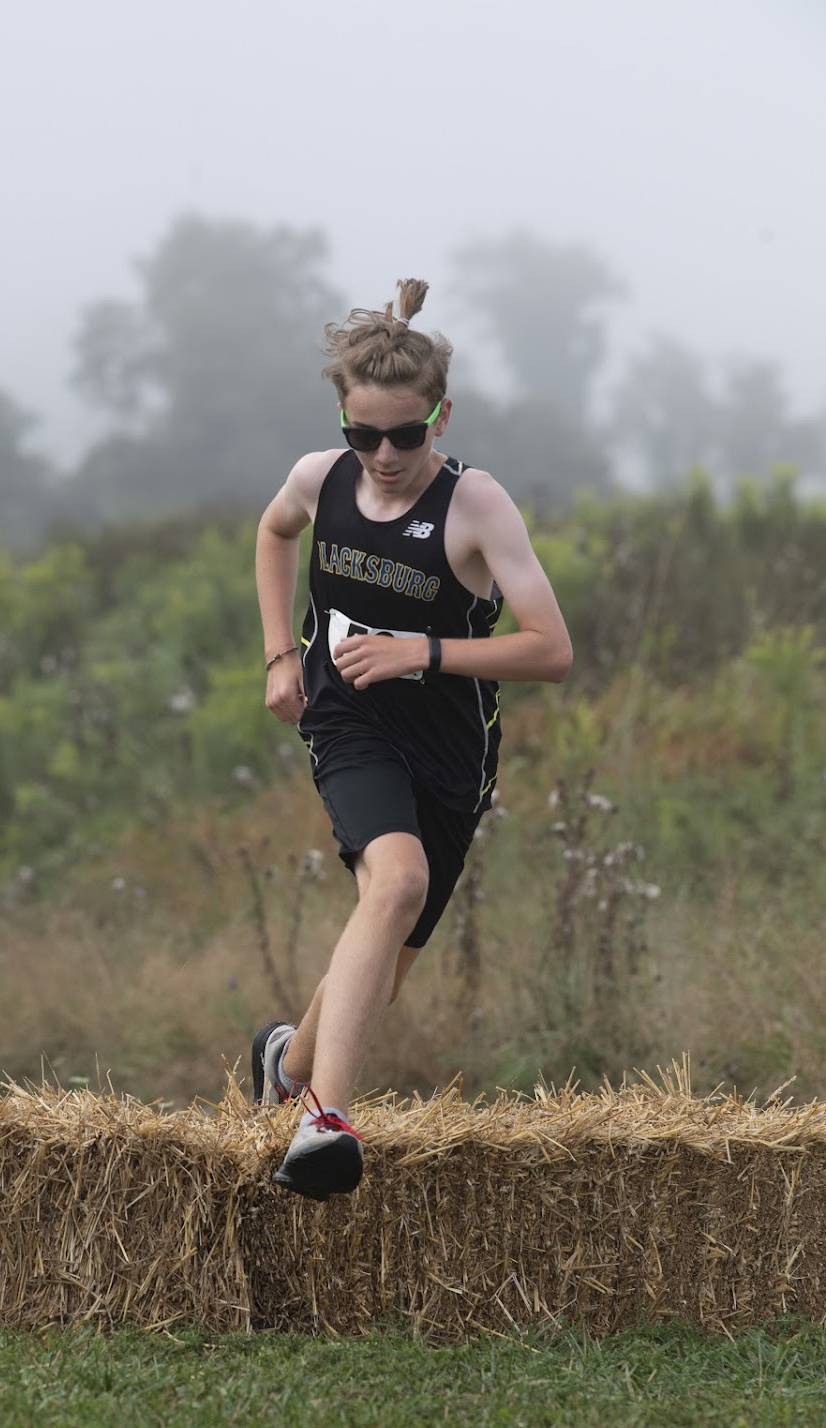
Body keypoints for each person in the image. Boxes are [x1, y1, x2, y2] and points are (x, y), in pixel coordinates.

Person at [252, 278, 572, 1201]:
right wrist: (281, 654)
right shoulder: (319, 479)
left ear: (442, 416)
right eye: (365, 436)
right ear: (342, 423)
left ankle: (285, 1065)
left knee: (384, 961)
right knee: (396, 883)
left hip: (452, 752)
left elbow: (551, 650)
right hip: (347, 719)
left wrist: (421, 652)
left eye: (406, 435)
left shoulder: (477, 506)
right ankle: (324, 1120)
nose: (385, 456)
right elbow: (273, 533)